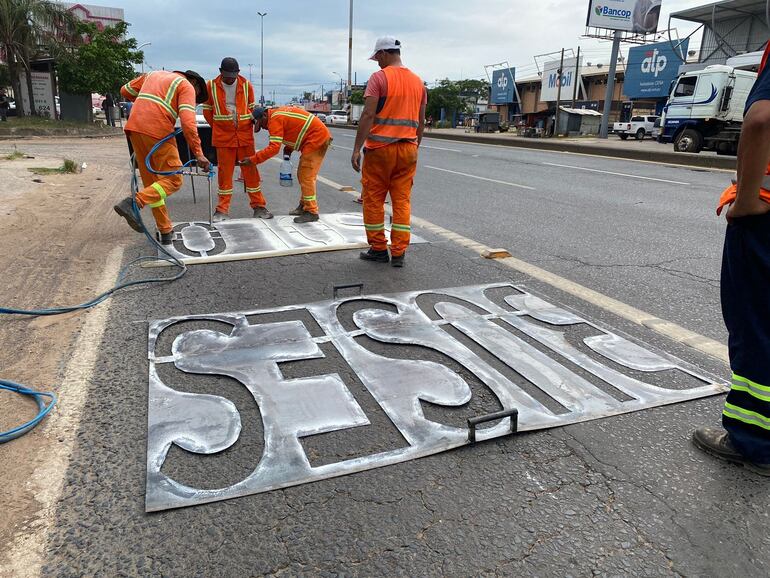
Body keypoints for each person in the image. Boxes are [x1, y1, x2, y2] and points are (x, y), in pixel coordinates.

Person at [692, 42, 770, 476]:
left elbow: (761, 119)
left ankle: (752, 439)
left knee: (757, 326)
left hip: (766, 218)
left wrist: (744, 203)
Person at [351, 36, 426, 268]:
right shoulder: (418, 82)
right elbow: (421, 121)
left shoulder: (379, 78)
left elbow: (368, 115)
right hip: (408, 149)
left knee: (373, 200)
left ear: (383, 54)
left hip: (380, 150)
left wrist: (356, 149)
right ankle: (399, 252)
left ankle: (378, 249)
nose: (377, 63)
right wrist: (415, 146)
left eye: (377, 58)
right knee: (402, 200)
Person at [113, 70, 211, 244]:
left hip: (135, 129)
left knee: (153, 184)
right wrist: (199, 153)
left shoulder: (152, 75)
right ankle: (134, 202)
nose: (194, 100)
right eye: (196, 97)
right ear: (194, 83)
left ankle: (165, 231)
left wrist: (145, 104)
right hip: (157, 130)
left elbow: (125, 90)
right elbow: (188, 123)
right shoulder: (185, 85)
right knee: (174, 180)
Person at [201, 57, 272, 222]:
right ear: (220, 72)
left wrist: (246, 124)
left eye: (233, 75)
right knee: (225, 174)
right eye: (227, 75)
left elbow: (253, 109)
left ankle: (259, 206)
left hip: (244, 136)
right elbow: (207, 111)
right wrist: (221, 126)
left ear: (238, 73)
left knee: (251, 172)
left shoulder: (246, 85)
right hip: (223, 137)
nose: (230, 78)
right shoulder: (211, 86)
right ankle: (222, 210)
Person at [241, 105, 332, 223]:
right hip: (315, 137)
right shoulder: (276, 115)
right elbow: (294, 128)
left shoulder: (274, 119)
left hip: (316, 138)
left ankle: (311, 211)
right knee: (303, 174)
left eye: (261, 124)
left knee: (306, 175)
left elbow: (274, 148)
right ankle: (304, 206)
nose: (263, 128)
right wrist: (289, 147)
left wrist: (253, 160)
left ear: (264, 115)